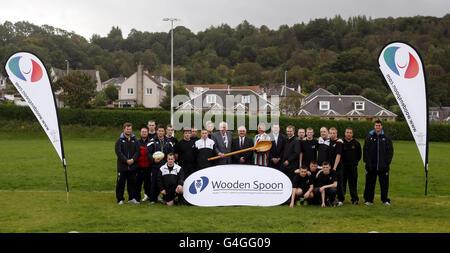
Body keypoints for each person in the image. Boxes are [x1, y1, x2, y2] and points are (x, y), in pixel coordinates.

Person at [363, 120, 394, 206]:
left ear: (381, 126)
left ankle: (385, 200)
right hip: (371, 166)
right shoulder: (369, 137)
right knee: (369, 184)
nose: (378, 127)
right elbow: (365, 150)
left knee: (384, 185)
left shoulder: (386, 138)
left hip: (383, 167)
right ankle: (368, 200)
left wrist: (386, 163)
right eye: (376, 125)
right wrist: (367, 163)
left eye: (379, 125)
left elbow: (390, 151)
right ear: (374, 126)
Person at [147, 124, 175, 205]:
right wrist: (153, 160)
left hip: (165, 165)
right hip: (155, 165)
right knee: (154, 182)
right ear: (157, 131)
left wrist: (169, 161)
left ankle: (165, 199)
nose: (161, 132)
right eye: (159, 131)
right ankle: (152, 199)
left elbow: (171, 152)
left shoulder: (168, 141)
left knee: (165, 183)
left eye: (162, 131)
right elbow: (148, 153)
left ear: (164, 132)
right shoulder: (152, 141)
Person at [114, 122, 140, 205]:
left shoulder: (135, 140)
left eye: (130, 129)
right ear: (124, 129)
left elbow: (137, 151)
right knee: (120, 183)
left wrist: (133, 159)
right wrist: (126, 160)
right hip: (122, 167)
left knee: (132, 183)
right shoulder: (119, 140)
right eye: (127, 129)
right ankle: (120, 199)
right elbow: (118, 152)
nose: (129, 130)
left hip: (132, 166)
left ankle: (132, 198)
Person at [342, 127, 362, 205]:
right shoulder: (341, 142)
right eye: (347, 132)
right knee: (342, 184)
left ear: (352, 134)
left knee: (353, 184)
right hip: (343, 167)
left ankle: (354, 199)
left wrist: (354, 163)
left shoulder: (356, 143)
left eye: (350, 132)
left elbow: (359, 155)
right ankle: (341, 199)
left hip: (353, 167)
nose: (348, 134)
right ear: (345, 133)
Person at [328, 127, 345, 206]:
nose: (332, 134)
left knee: (339, 184)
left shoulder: (339, 142)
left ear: (336, 134)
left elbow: (338, 155)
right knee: (331, 183)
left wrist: (334, 167)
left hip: (337, 168)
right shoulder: (329, 142)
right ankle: (331, 199)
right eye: (331, 133)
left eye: (334, 133)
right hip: (329, 167)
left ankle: (341, 200)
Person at [136, 126, 152, 202]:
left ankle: (148, 196)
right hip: (139, 166)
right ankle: (137, 198)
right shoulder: (137, 142)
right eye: (142, 132)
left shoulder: (151, 142)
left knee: (148, 183)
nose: (144, 133)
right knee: (138, 183)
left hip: (148, 166)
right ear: (140, 133)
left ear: (147, 133)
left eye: (145, 132)